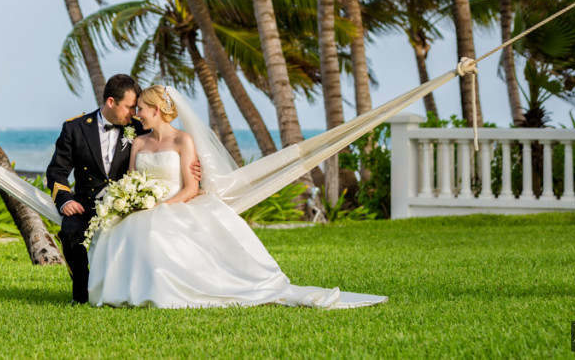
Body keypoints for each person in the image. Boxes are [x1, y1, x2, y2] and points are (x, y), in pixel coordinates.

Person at [86, 84, 387, 309]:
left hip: (177, 203)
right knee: (118, 230)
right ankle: (125, 292)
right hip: (143, 204)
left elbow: (191, 186)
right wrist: (135, 200)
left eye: (140, 109)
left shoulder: (183, 140)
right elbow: (132, 179)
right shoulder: (138, 143)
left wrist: (162, 205)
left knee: (155, 231)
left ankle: (165, 291)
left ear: (156, 110)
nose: (136, 114)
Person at [46, 74, 199, 304]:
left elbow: (167, 145)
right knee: (70, 233)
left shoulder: (139, 127)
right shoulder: (75, 128)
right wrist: (66, 200)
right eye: (129, 107)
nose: (133, 113)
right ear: (110, 102)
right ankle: (82, 292)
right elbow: (57, 171)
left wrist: (198, 168)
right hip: (86, 202)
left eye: (136, 108)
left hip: (127, 203)